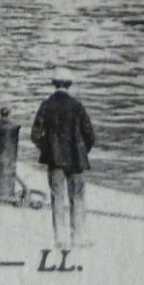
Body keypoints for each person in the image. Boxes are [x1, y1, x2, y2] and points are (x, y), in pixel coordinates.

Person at [31, 66, 97, 250]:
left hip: (54, 160)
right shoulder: (77, 106)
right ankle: (78, 237)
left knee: (57, 197)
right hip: (75, 160)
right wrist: (83, 151)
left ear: (54, 85)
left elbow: (35, 135)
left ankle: (60, 238)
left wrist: (48, 150)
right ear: (69, 85)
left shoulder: (46, 105)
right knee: (77, 197)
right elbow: (89, 135)